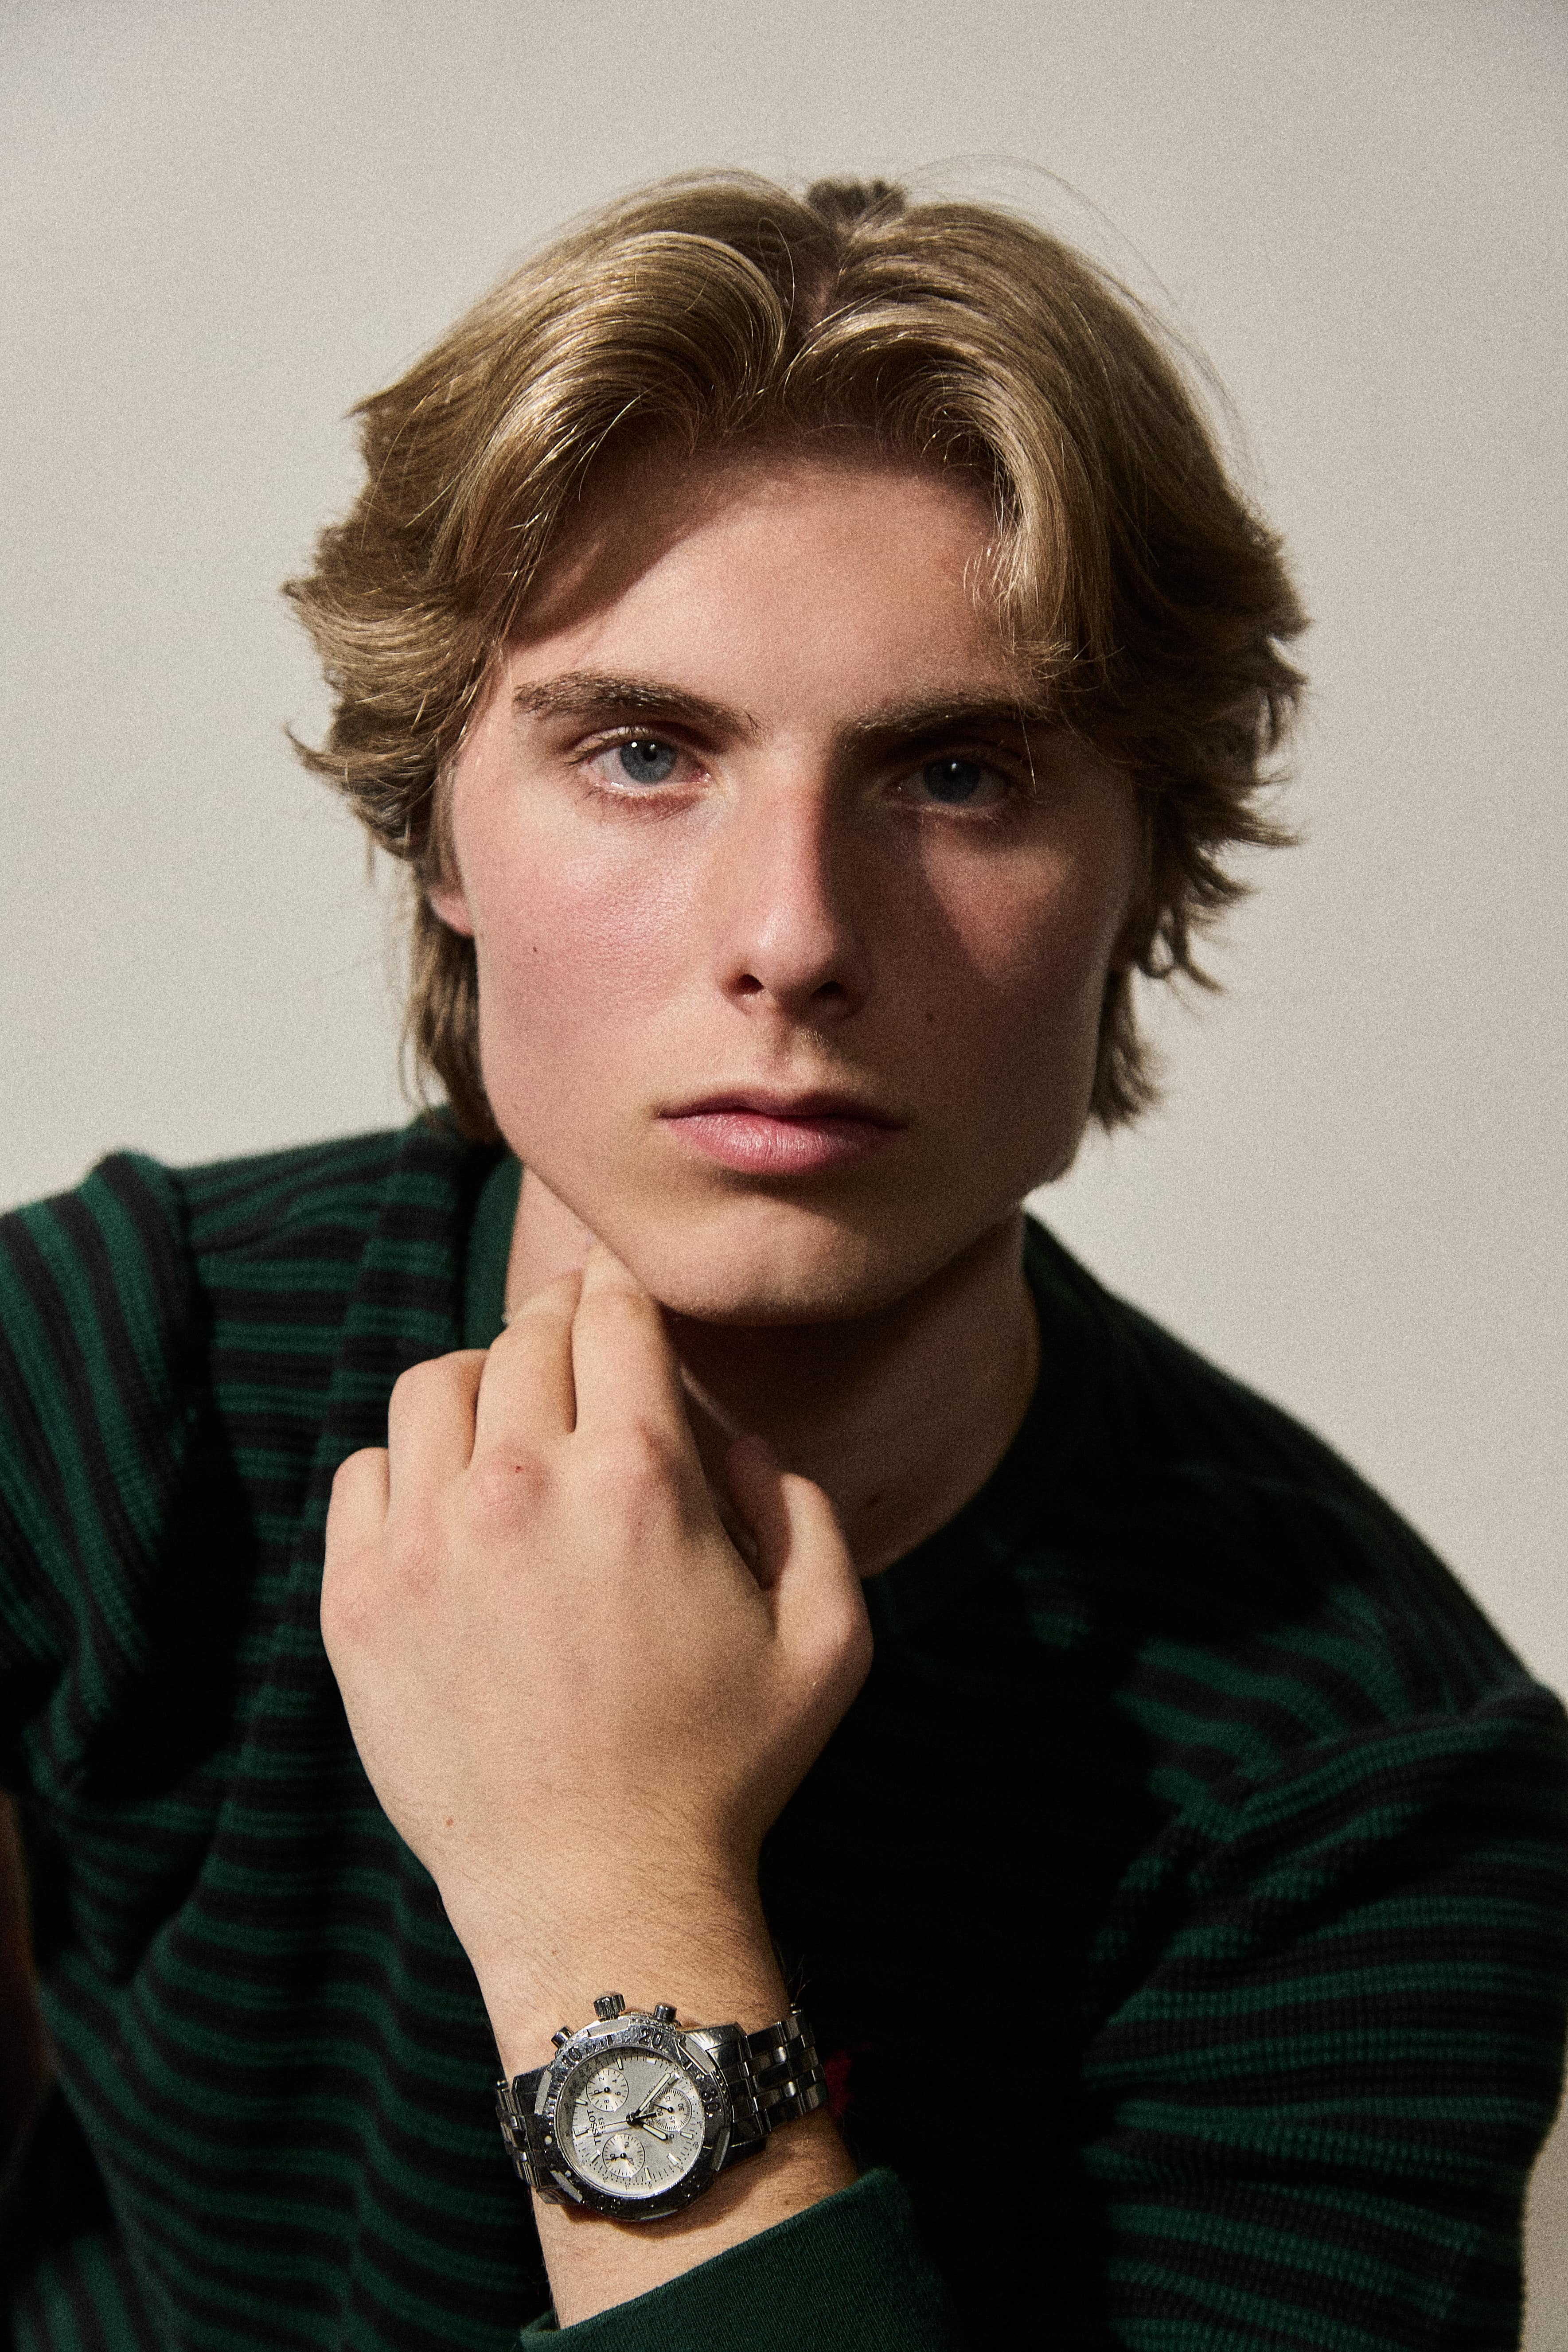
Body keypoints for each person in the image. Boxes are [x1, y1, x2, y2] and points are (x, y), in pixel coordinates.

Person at [1, 172, 1564, 2352]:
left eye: (960, 773)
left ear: (1145, 865)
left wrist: (607, 1883)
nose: (796, 938)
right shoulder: (112, 1372)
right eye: (645, 753)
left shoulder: (1364, 1797)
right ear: (441, 827)